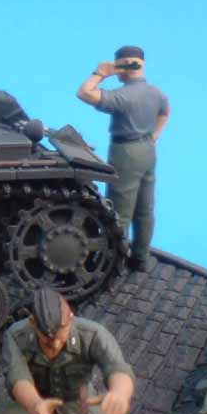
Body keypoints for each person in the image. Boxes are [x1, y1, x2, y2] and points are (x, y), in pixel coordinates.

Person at [0, 287, 135, 414]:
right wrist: (34, 405)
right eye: (47, 340)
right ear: (32, 323)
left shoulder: (93, 334)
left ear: (71, 318)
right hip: (32, 398)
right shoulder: (17, 335)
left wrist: (120, 392)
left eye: (60, 336)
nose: (55, 345)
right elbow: (17, 376)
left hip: (77, 399)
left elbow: (116, 366)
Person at [76, 45, 170, 272]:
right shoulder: (156, 92)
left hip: (126, 153)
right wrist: (154, 136)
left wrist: (100, 73)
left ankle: (113, 265)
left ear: (123, 66)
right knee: (145, 209)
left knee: (119, 212)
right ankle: (140, 258)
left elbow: (84, 93)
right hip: (148, 150)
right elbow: (165, 113)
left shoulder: (123, 96)